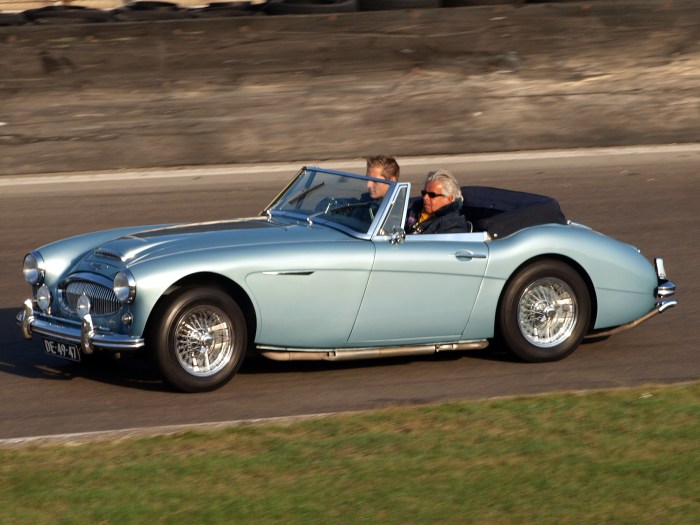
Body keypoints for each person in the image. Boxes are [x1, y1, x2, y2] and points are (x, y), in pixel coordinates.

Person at [405, 169, 472, 234]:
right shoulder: (414, 208)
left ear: (449, 199)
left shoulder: (453, 224)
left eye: (432, 195)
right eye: (424, 193)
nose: (425, 198)